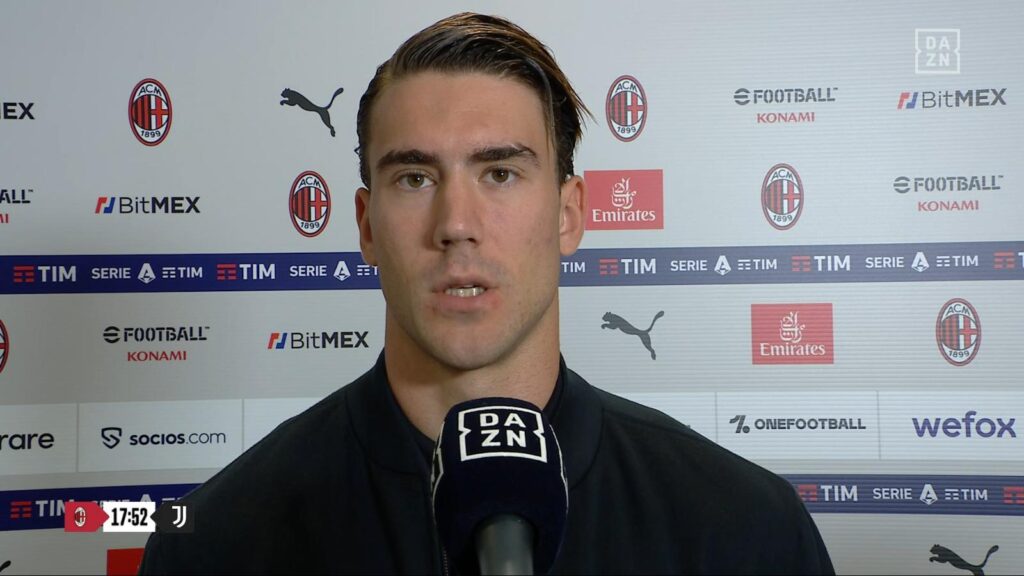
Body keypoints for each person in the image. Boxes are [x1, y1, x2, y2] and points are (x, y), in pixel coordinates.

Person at [140, 12, 834, 574]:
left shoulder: (747, 528)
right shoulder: (215, 542)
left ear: (569, 215)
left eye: (499, 173)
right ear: (367, 227)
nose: (456, 225)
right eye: (415, 178)